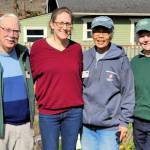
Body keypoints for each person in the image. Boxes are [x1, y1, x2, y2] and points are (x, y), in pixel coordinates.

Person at [30, 7, 84, 150]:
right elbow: (31, 78)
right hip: (48, 113)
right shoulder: (38, 48)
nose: (64, 27)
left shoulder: (76, 49)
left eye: (68, 23)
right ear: (52, 24)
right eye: (60, 23)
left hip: (73, 112)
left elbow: (79, 77)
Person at [81, 16, 135, 150]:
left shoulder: (121, 60)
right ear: (92, 34)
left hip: (110, 129)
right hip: (86, 127)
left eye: (104, 31)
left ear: (111, 34)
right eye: (96, 31)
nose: (100, 36)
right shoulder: (85, 57)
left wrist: (124, 122)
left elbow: (128, 92)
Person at [0, 13, 35, 150]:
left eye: (16, 31)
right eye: (7, 30)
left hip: (25, 127)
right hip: (2, 129)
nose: (12, 34)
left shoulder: (24, 55)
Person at [131, 19, 150, 150]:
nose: (145, 39)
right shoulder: (134, 62)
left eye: (149, 35)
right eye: (142, 36)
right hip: (138, 119)